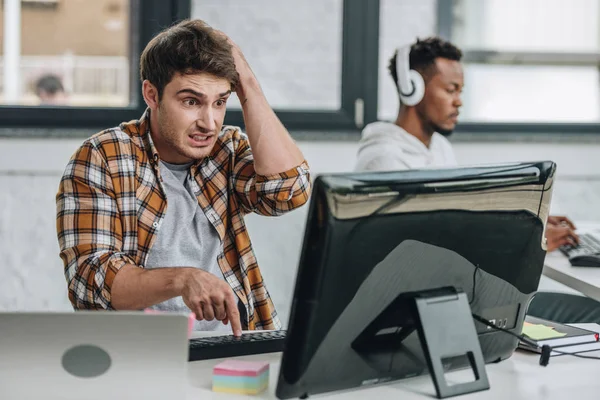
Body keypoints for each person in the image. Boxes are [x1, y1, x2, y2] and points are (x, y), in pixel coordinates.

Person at [55, 19, 311, 336]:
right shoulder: (103, 156)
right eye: (191, 101)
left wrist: (249, 87)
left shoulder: (225, 151)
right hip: (142, 352)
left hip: (235, 345)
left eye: (220, 102)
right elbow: (90, 284)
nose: (209, 123)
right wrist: (183, 278)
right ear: (152, 94)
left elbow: (289, 192)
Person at [355, 37, 578, 253]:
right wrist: (529, 242)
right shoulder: (384, 160)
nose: (459, 101)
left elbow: (456, 222)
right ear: (412, 90)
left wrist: (528, 223)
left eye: (461, 91)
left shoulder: (438, 147)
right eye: (451, 90)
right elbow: (428, 245)